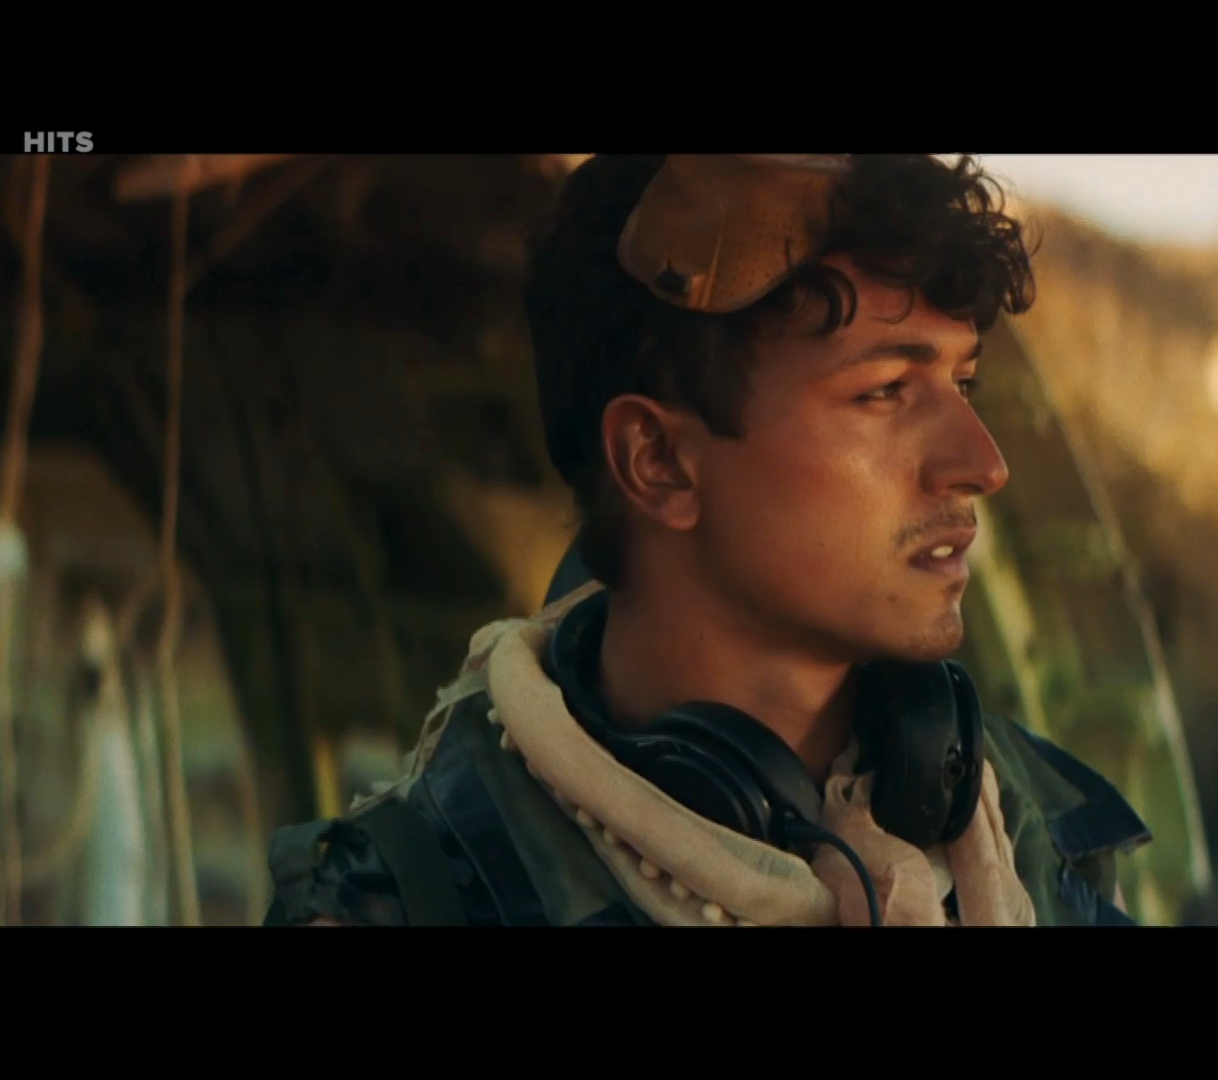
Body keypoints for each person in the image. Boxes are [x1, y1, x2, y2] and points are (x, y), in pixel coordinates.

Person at [263, 154, 1149, 926]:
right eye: (885, 392)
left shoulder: (1039, 832)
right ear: (659, 463)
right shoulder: (410, 901)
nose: (982, 464)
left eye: (964, 383)